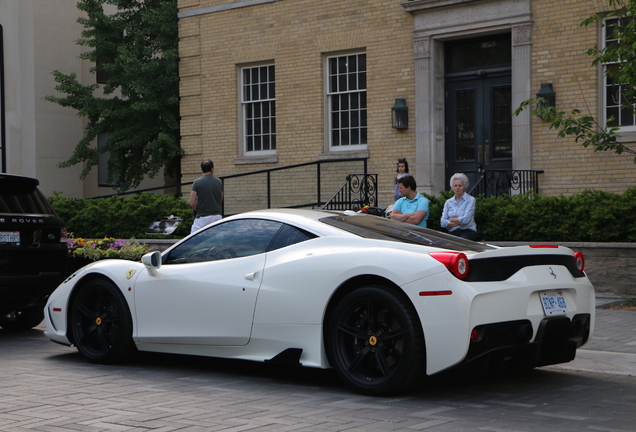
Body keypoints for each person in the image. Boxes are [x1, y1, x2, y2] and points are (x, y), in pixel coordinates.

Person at [189, 159, 224, 233]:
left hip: (203, 216)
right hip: (217, 216)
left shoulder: (197, 183)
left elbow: (192, 202)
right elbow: (220, 198)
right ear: (212, 169)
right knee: (216, 239)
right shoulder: (219, 182)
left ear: (202, 169)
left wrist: (198, 208)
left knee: (194, 238)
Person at [440, 173, 477, 240]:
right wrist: (460, 222)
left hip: (467, 231)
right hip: (452, 231)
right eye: (455, 185)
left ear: (464, 187)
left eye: (460, 185)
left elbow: (466, 220)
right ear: (452, 187)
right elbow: (442, 223)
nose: (457, 188)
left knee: (460, 241)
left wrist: (450, 219)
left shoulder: (471, 200)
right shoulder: (448, 202)